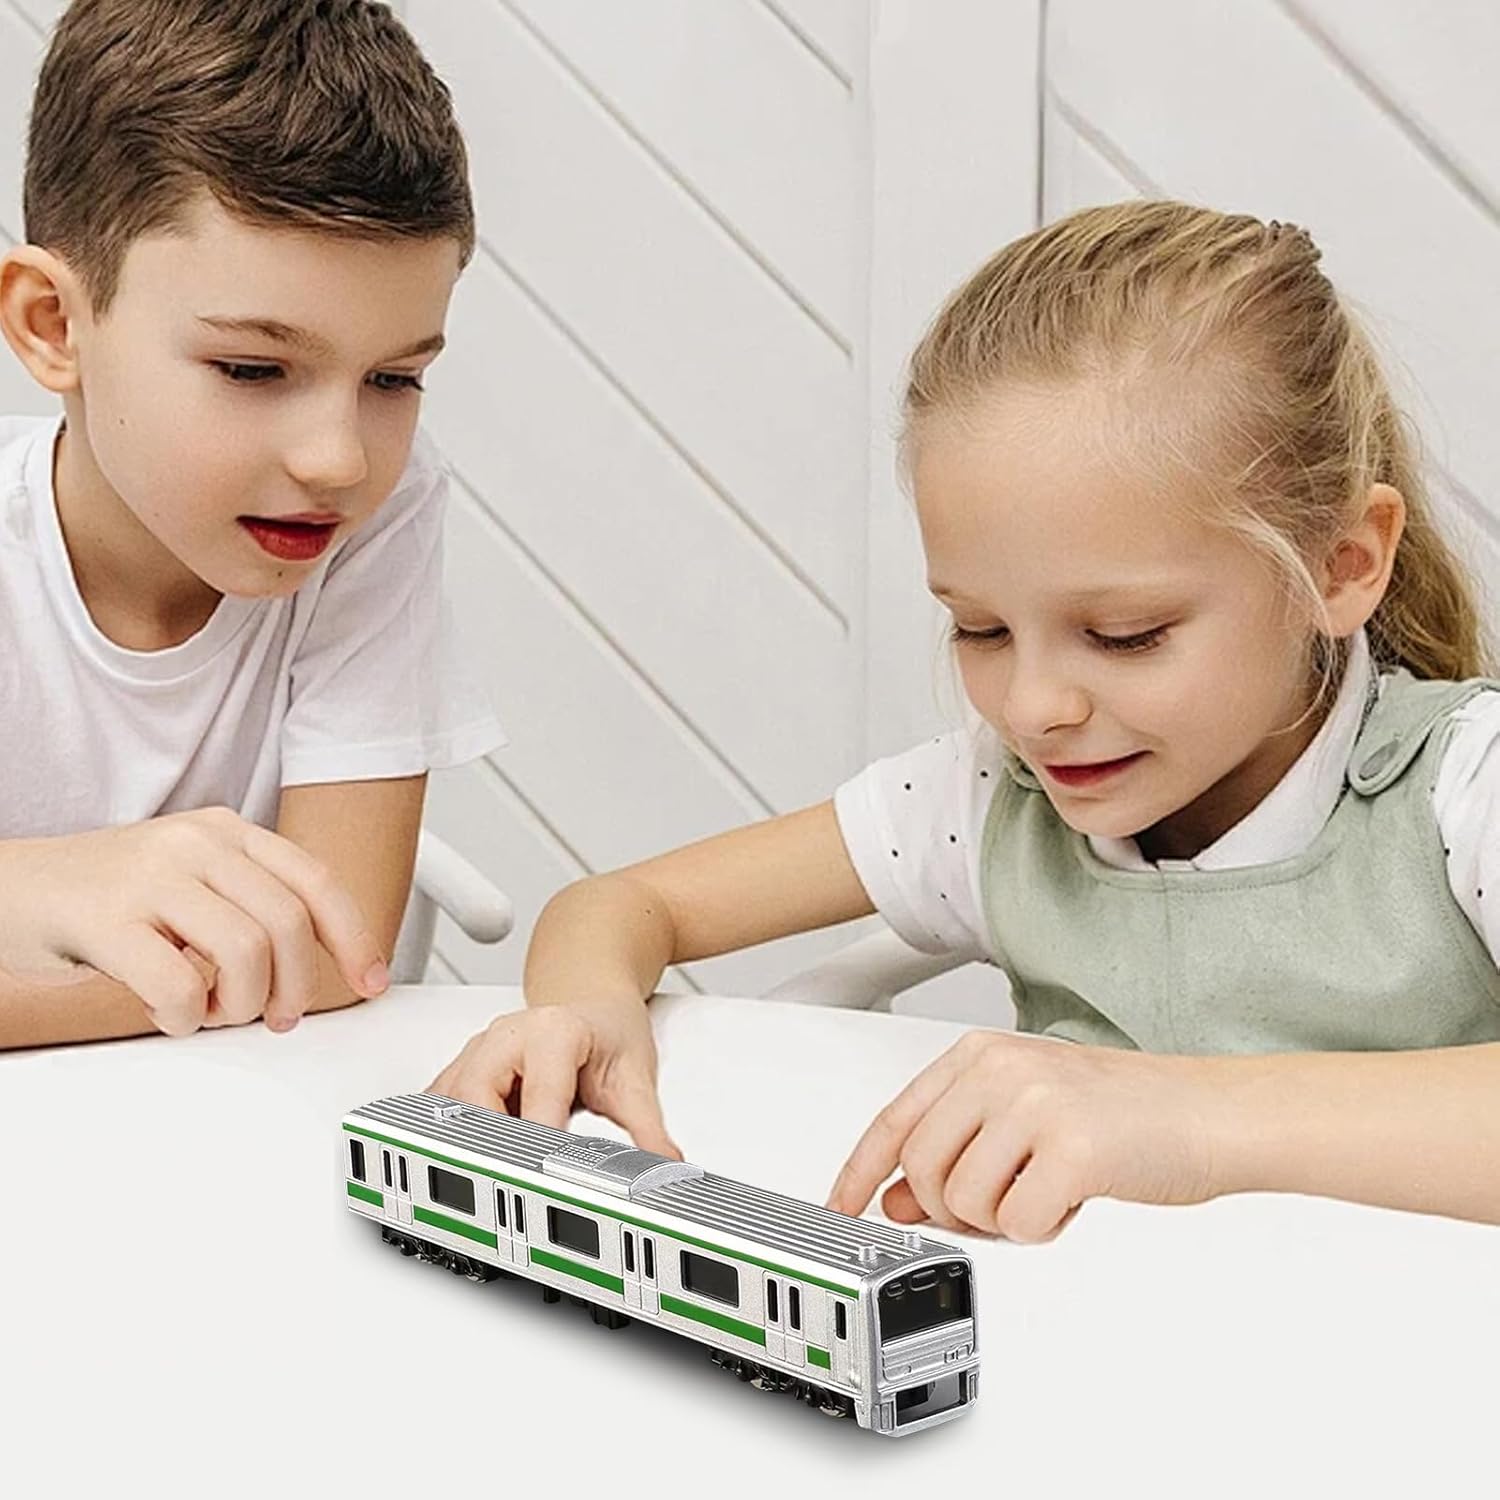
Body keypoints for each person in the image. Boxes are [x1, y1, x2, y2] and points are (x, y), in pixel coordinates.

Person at [431, 200, 1500, 1242]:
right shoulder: (988, 801)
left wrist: (1179, 1118)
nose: (1033, 708)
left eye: (1125, 635)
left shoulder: (1464, 788)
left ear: (1340, 565)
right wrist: (583, 1017)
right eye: (981, 629)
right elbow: (620, 905)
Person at [0, 0, 503, 1048]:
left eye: (395, 378)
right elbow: (294, 969)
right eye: (252, 368)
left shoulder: (374, 513)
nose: (339, 460)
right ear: (53, 324)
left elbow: (338, 944)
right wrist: (40, 882)